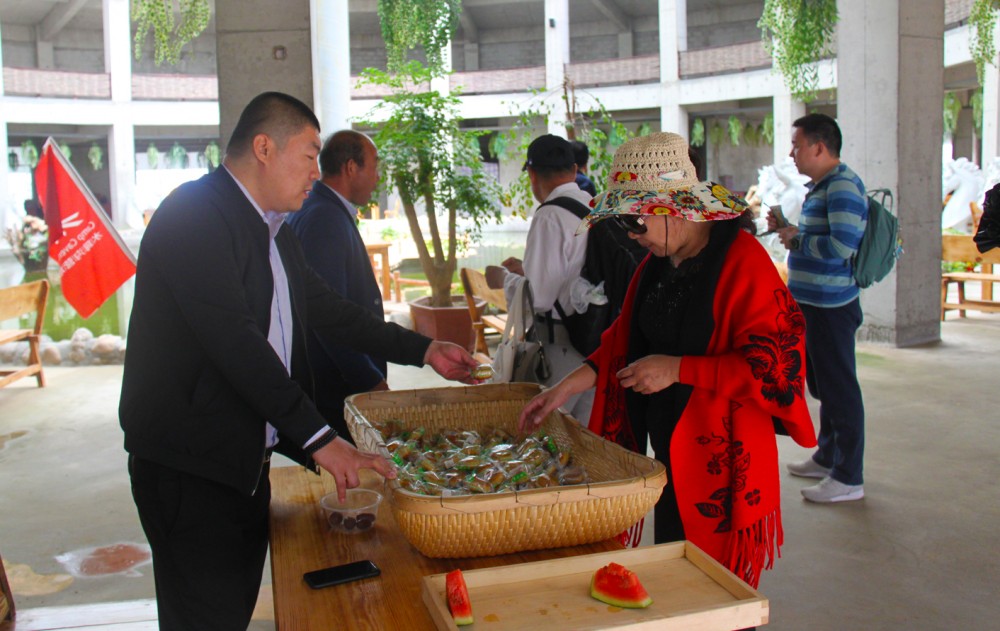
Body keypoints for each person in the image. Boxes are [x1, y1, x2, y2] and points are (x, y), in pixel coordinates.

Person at [119, 92, 479, 631]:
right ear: (264, 147)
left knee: (231, 610)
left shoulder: (275, 233)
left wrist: (421, 349)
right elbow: (236, 344)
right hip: (189, 471)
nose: (318, 171)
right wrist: (320, 439)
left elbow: (331, 312)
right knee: (203, 616)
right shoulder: (194, 216)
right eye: (310, 154)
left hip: (243, 464)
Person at [518, 132, 817, 588]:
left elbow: (775, 366)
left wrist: (679, 369)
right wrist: (564, 388)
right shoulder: (659, 262)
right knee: (679, 571)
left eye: (635, 224)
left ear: (670, 208)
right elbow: (623, 340)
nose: (633, 238)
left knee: (715, 584)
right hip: (671, 448)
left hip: (720, 456)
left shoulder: (742, 262)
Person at [769, 113, 868, 504]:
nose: (792, 153)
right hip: (813, 303)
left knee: (840, 389)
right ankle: (828, 455)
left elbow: (842, 248)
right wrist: (790, 229)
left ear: (819, 147)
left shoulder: (842, 186)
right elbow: (820, 238)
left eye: (797, 145)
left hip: (831, 306)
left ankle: (849, 476)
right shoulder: (824, 186)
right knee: (824, 385)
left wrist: (796, 240)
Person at [286, 130, 385, 444]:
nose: (377, 177)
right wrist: (370, 380)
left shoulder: (323, 209)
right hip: (335, 390)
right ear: (351, 168)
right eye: (374, 166)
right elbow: (328, 319)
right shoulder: (324, 219)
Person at [496, 134, 595, 422]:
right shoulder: (594, 207)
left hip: (559, 351)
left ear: (532, 174)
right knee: (584, 442)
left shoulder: (550, 216)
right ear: (575, 171)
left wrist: (503, 279)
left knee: (546, 440)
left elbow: (538, 298)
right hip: (591, 350)